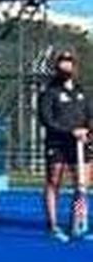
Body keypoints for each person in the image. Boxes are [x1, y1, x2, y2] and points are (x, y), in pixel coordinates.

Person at [38, 52, 91, 242]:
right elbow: (47, 119)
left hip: (80, 144)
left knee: (82, 183)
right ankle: (52, 225)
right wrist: (70, 131)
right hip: (57, 143)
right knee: (54, 181)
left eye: (69, 64)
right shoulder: (49, 92)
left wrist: (88, 132)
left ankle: (78, 223)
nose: (66, 68)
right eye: (62, 65)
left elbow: (89, 115)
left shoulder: (81, 91)